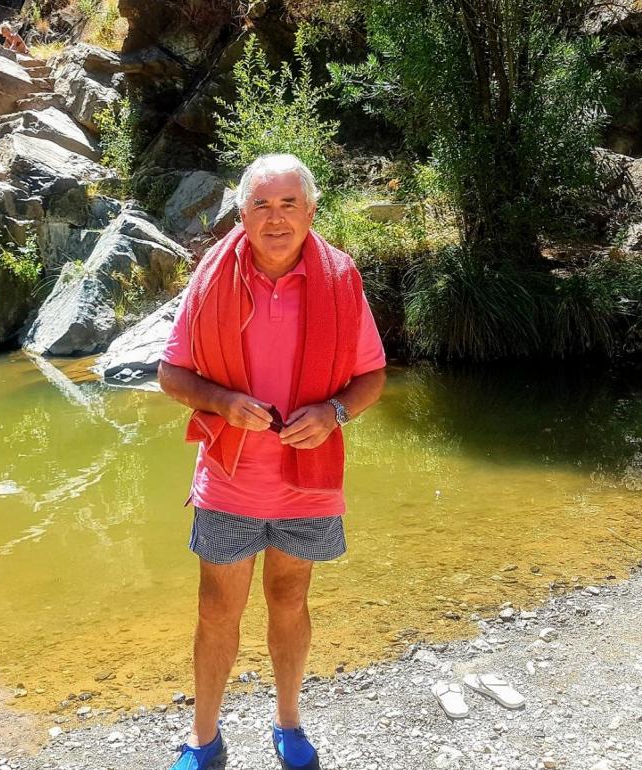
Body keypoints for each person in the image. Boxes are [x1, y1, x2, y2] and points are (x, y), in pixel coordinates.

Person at [157, 154, 388, 770]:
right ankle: (204, 739)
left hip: (306, 485)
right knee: (216, 611)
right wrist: (223, 402)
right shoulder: (210, 281)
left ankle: (289, 724)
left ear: (311, 212)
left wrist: (335, 413)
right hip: (229, 478)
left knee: (289, 599)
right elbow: (170, 374)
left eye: (289, 204)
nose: (276, 218)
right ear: (243, 214)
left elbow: (371, 377)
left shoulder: (341, 281)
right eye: (262, 204)